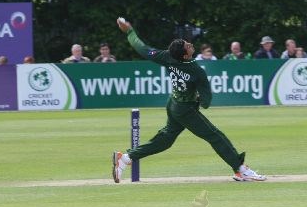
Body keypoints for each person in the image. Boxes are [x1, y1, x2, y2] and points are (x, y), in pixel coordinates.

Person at [112, 17, 266, 182]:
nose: (191, 45)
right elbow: (206, 102)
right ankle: (240, 169)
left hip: (173, 104)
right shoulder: (196, 70)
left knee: (166, 140)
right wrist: (201, 98)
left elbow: (142, 48)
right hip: (185, 110)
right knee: (215, 136)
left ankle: (126, 158)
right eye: (188, 46)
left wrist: (129, 31)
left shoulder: (166, 56)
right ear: (185, 55)